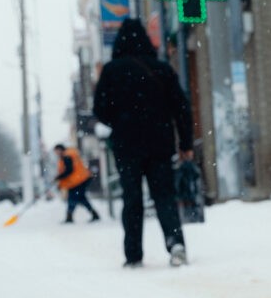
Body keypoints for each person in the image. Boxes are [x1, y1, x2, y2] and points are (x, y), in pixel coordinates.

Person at [93, 17, 194, 268]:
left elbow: (100, 110)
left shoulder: (111, 71)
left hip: (127, 146)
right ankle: (175, 243)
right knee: (164, 196)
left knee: (132, 198)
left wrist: (120, 119)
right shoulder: (161, 69)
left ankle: (133, 253)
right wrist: (186, 143)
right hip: (159, 142)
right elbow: (181, 108)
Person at [53, 144, 100, 223]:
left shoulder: (67, 156)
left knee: (72, 198)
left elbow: (69, 170)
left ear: (60, 149)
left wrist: (59, 177)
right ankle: (94, 214)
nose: (56, 153)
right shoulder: (69, 154)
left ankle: (69, 217)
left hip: (78, 181)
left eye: (56, 151)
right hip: (81, 179)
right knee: (81, 198)